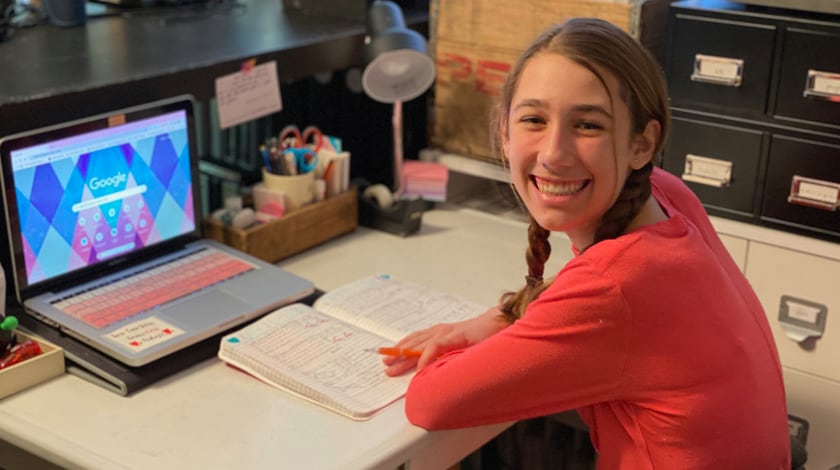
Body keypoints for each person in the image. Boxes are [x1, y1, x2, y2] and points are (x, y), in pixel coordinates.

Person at [383, 18, 791, 469]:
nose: (554, 153)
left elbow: (431, 402)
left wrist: (475, 345)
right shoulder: (664, 194)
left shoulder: (613, 286)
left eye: (588, 125)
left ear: (642, 144)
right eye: (534, 120)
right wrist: (499, 319)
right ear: (505, 132)